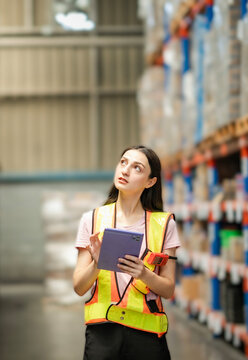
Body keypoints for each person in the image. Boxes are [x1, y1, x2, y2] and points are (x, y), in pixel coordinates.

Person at [73, 145, 180, 360]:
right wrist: (97, 264)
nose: (125, 170)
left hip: (147, 336)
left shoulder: (164, 224)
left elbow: (168, 290)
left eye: (137, 168)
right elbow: (79, 287)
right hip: (102, 333)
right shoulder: (92, 220)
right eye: (123, 162)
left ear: (150, 182)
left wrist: (145, 274)